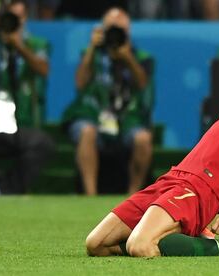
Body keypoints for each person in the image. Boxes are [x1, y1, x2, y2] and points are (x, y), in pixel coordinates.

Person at [85, 30, 219, 257]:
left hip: (198, 188)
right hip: (174, 179)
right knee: (97, 244)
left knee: (140, 246)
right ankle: (190, 236)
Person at [62, 7, 154, 196]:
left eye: (120, 29)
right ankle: (90, 194)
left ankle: (133, 195)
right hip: (93, 114)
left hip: (128, 118)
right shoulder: (92, 53)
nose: (115, 35)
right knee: (87, 131)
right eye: (111, 29)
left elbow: (143, 84)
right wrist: (91, 48)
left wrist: (127, 57)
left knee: (143, 139)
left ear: (128, 32)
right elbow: (80, 83)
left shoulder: (141, 57)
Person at [0, 0, 54, 194]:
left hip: (16, 123)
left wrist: (19, 46)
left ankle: (5, 191)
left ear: (25, 18)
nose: (14, 21)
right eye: (10, 16)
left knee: (42, 143)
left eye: (19, 17)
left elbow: (43, 69)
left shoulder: (34, 43)